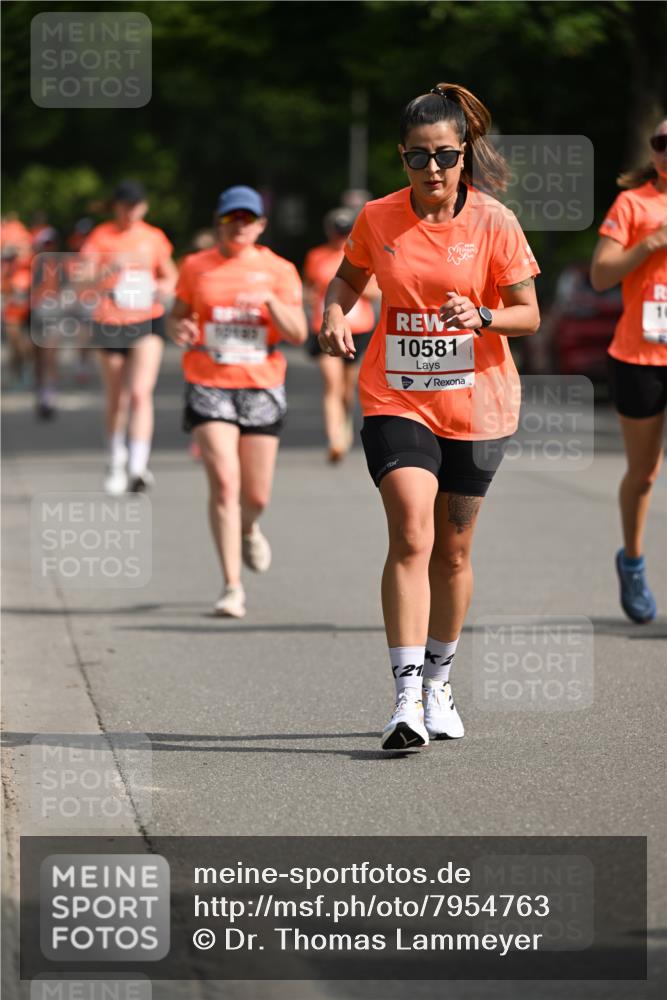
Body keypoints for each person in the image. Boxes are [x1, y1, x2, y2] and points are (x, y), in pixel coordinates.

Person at [319, 83, 540, 750]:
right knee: (411, 532)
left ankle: (440, 681)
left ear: (463, 155)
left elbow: (528, 314)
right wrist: (331, 311)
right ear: (401, 159)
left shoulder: (494, 222)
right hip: (397, 396)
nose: (433, 170)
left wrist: (482, 315)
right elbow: (347, 279)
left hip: (479, 403)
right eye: (418, 158)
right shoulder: (378, 219)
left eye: (444, 156)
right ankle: (405, 698)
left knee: (452, 551)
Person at [169, 185, 307, 618]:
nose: (240, 226)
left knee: (257, 494)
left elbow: (299, 333)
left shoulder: (279, 270)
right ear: (220, 222)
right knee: (225, 483)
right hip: (209, 380)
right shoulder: (196, 266)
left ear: (261, 224)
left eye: (248, 219)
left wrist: (269, 301)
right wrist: (181, 330)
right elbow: (178, 316)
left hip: (262, 383)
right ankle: (232, 586)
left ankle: (249, 527)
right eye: (232, 219)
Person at [591, 118, 667, 624]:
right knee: (643, 476)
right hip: (641, 357)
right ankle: (634, 562)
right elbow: (599, 275)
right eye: (660, 143)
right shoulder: (634, 204)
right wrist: (650, 243)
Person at [79, 180, 177, 494]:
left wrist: (165, 287)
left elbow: (170, 274)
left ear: (144, 207)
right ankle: (116, 458)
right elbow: (80, 280)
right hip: (110, 320)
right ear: (116, 206)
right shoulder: (101, 236)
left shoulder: (154, 237)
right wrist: (106, 270)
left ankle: (138, 465)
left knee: (140, 392)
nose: (130, 211)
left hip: (146, 319)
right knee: (117, 396)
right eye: (125, 205)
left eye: (136, 205)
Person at [304, 207, 379, 461]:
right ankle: (334, 438)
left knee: (348, 388)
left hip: (358, 328)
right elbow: (309, 287)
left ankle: (344, 424)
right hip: (324, 327)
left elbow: (378, 290)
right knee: (331, 384)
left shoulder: (363, 254)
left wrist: (354, 289)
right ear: (329, 232)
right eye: (337, 232)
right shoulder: (316, 256)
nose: (340, 237)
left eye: (345, 232)